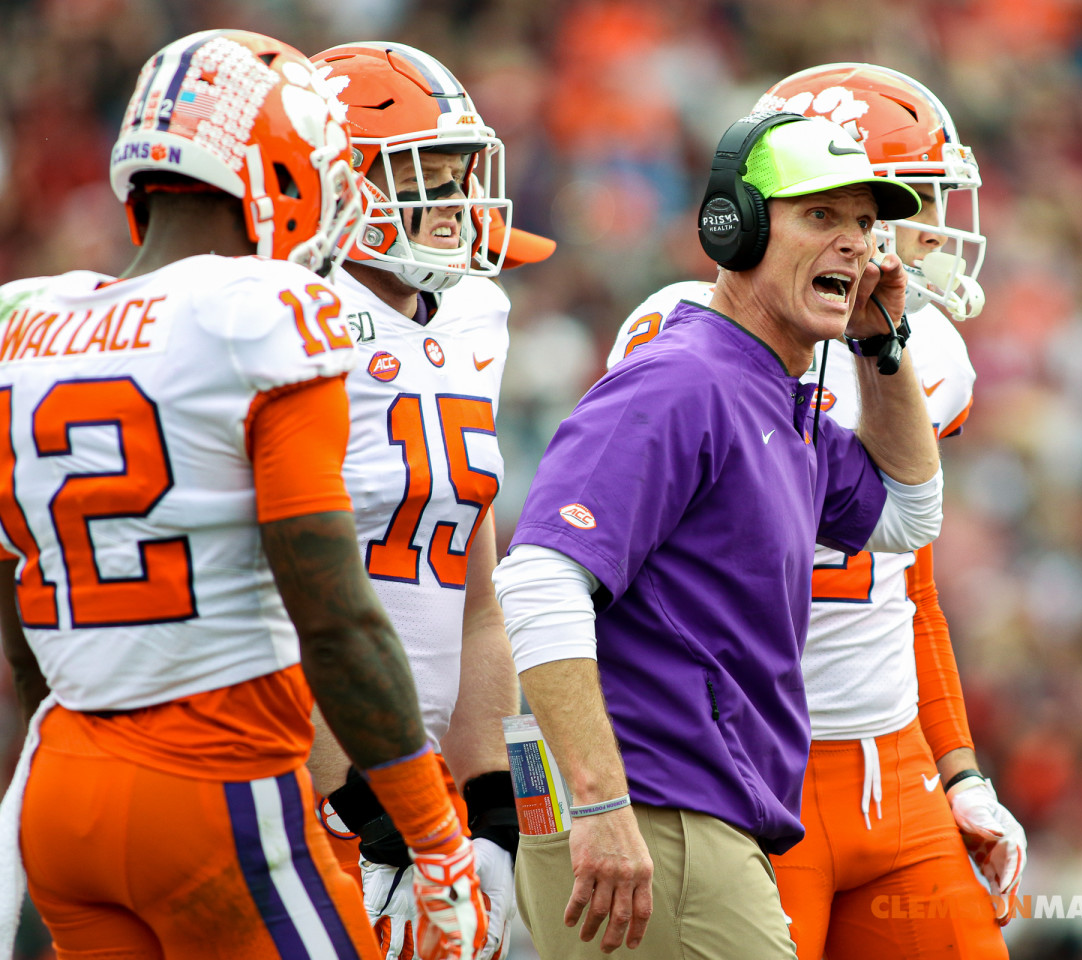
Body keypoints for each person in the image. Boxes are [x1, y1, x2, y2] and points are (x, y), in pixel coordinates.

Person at [0, 30, 487, 960]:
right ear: (286, 158)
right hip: (213, 785)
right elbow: (335, 615)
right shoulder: (264, 310)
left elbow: (17, 604)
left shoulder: (27, 320)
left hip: (63, 789)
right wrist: (432, 834)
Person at [492, 111, 945, 959]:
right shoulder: (685, 378)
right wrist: (597, 803)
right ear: (734, 229)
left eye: (863, 223)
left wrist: (882, 342)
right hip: (652, 814)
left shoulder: (772, 391)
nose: (854, 245)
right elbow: (538, 579)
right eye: (821, 216)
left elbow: (907, 512)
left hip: (681, 815)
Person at [607, 63, 1027, 959]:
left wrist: (959, 769)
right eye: (899, 208)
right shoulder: (687, 342)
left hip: (894, 768)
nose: (935, 235)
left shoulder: (904, 353)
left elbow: (905, 580)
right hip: (746, 764)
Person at [303, 41, 553, 960]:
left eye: (457, 176)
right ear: (337, 183)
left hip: (422, 795)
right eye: (423, 177)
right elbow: (278, 609)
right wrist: (363, 810)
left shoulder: (473, 316)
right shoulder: (293, 313)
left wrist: (492, 810)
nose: (454, 204)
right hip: (302, 781)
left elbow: (477, 608)